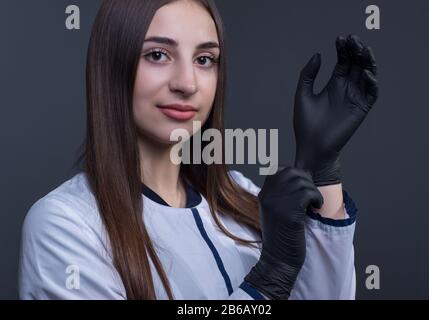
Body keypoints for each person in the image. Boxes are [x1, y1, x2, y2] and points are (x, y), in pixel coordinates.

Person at [19, 0, 378, 300]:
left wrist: (322, 169)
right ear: (112, 66)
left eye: (205, 59)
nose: (187, 83)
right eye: (158, 55)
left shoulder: (244, 197)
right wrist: (268, 280)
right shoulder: (65, 224)